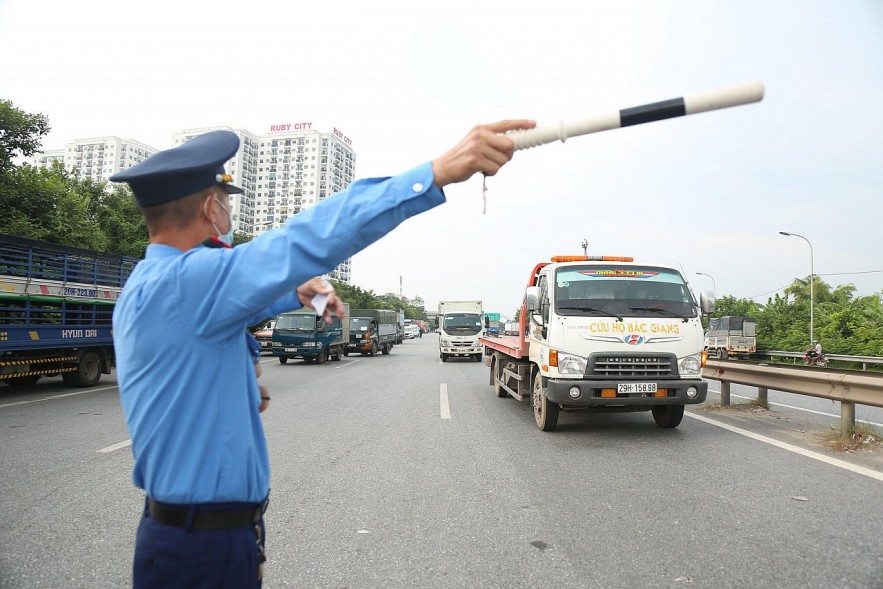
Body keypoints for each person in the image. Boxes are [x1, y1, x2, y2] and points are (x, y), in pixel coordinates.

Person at [109, 119, 534, 588]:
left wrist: (299, 295)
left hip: (197, 535)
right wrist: (435, 172)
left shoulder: (152, 287)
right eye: (228, 204)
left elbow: (228, 316)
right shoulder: (189, 282)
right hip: (200, 549)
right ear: (212, 208)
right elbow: (305, 239)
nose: (230, 216)